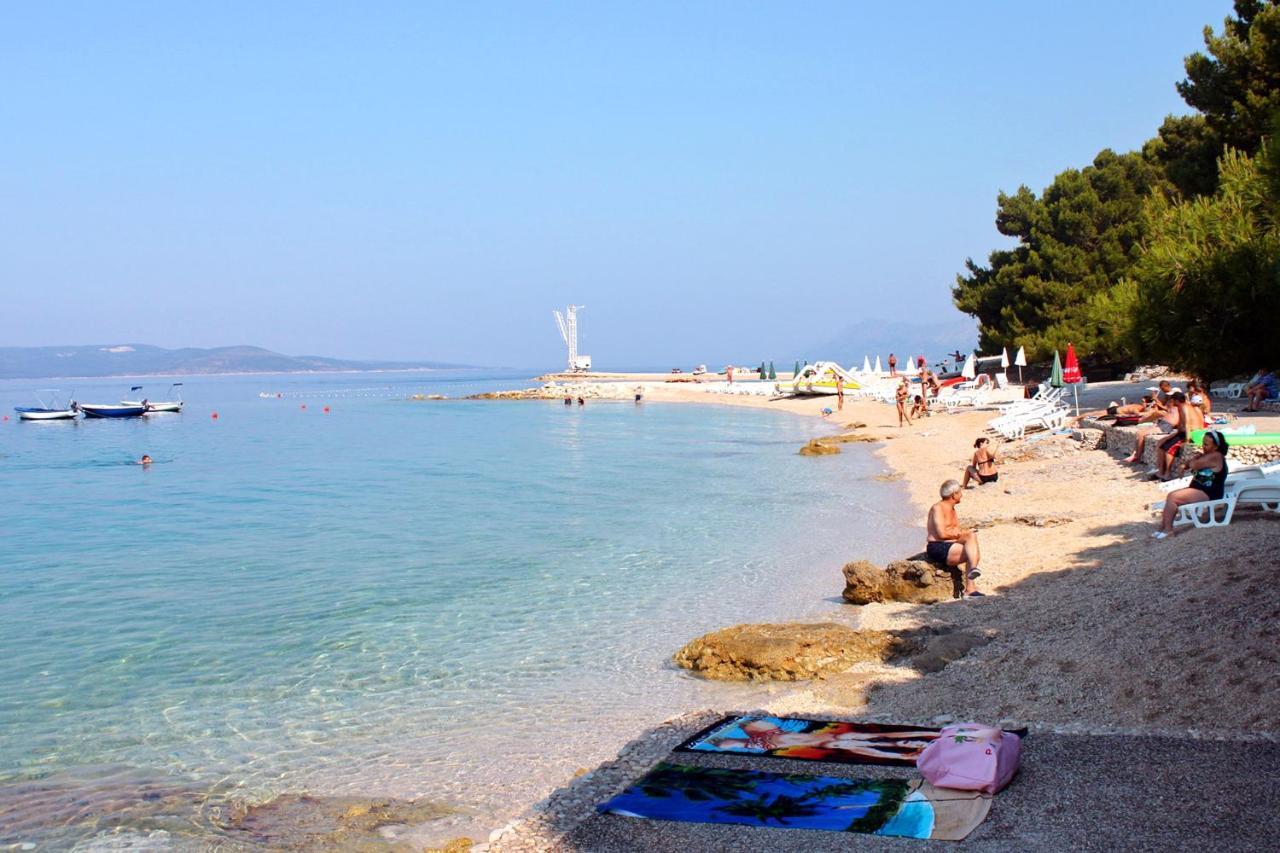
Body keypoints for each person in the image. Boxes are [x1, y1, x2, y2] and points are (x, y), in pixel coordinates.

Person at [1153, 431, 1229, 539]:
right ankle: (1162, 527)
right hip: (1200, 489)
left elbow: (1193, 465)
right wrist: (1188, 463)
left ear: (1216, 446)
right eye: (1203, 443)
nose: (1203, 446)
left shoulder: (1215, 456)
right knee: (1172, 497)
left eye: (1206, 444)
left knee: (1173, 497)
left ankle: (1168, 530)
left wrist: (1189, 462)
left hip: (1210, 493)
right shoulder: (1208, 455)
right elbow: (1191, 464)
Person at [927, 479, 983, 597]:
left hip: (949, 544)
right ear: (954, 495)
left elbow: (953, 531)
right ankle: (970, 586)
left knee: (971, 538)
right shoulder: (938, 508)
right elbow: (942, 534)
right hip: (937, 547)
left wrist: (963, 533)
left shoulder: (952, 509)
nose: (961, 495)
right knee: (972, 551)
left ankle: (971, 586)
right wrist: (961, 534)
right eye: (960, 492)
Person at [1123, 392, 1182, 467]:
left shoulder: (1180, 407)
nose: (1170, 401)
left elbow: (1177, 420)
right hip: (1162, 423)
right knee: (1139, 433)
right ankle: (1134, 454)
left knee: (1141, 434)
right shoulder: (1173, 407)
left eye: (1172, 399)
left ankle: (1137, 456)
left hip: (1166, 426)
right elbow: (1165, 408)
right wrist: (1156, 399)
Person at [1157, 391, 1205, 480]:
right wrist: (1175, 434)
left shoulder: (1184, 407)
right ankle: (1160, 470)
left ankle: (1167, 473)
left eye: (1173, 400)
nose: (1172, 402)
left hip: (1192, 433)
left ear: (1176, 400)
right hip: (1184, 432)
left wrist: (1187, 440)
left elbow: (1187, 423)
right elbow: (1181, 424)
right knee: (1162, 444)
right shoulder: (1181, 407)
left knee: (1169, 449)